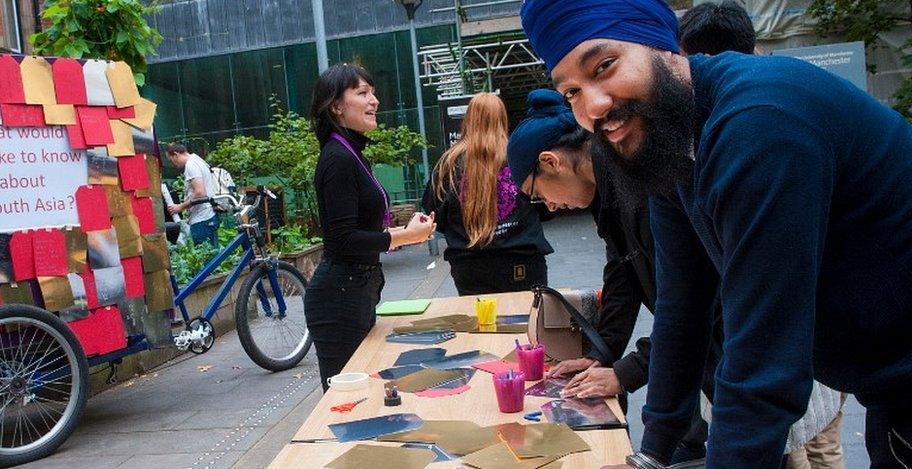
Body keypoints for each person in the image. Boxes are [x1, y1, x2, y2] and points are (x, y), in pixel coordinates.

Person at [519, 0, 912, 468]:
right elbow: (684, 310)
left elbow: (763, 365)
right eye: (572, 90)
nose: (593, 106)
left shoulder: (759, 123)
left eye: (605, 66)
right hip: (890, 395)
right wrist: (653, 453)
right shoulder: (672, 139)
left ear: (660, 41)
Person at [678, 0, 847, 469]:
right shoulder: (777, 95)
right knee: (822, 443)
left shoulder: (753, 126)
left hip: (791, 349)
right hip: (812, 352)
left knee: (806, 447)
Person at [508, 89, 711, 464]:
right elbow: (623, 272)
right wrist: (603, 355)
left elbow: (692, 302)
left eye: (538, 196)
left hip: (739, 346)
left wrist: (628, 371)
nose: (550, 206)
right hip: (703, 351)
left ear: (550, 161)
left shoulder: (641, 187)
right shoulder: (608, 188)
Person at [305, 63, 436, 391]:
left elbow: (356, 228)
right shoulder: (338, 158)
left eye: (372, 92)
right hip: (339, 297)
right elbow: (342, 240)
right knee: (346, 400)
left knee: (362, 392)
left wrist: (402, 233)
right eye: (362, 93)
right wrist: (403, 237)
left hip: (355, 290)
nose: (374, 100)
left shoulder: (351, 153)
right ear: (336, 106)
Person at [422, 92, 553, 296]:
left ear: (468, 120)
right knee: (531, 320)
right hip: (523, 258)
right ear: (503, 118)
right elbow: (547, 205)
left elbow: (434, 213)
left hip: (470, 264)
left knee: (481, 324)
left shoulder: (447, 165)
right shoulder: (521, 156)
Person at [165, 142, 219, 246]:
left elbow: (200, 192)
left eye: (171, 160)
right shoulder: (198, 160)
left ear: (176, 154)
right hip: (208, 215)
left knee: (205, 257)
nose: (173, 164)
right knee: (213, 255)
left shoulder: (191, 165)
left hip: (201, 219)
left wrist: (180, 207)